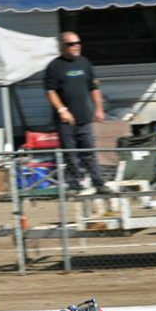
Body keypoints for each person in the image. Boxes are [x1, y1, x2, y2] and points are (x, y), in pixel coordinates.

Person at [44, 32, 112, 195]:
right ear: (62, 46)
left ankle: (99, 183)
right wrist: (62, 110)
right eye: (71, 44)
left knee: (89, 153)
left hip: (84, 118)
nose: (76, 46)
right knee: (70, 154)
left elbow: (93, 88)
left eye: (78, 43)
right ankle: (74, 184)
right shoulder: (54, 66)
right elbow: (50, 92)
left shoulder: (84, 63)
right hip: (66, 121)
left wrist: (99, 108)